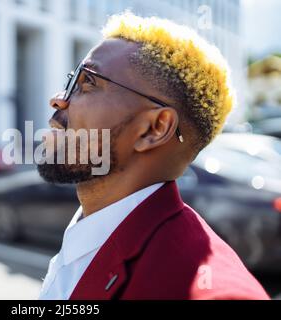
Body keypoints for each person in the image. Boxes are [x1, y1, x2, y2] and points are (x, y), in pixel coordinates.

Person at [37, 12, 269, 300]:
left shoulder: (213, 292)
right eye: (72, 80)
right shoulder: (89, 229)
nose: (59, 98)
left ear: (154, 128)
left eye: (88, 83)